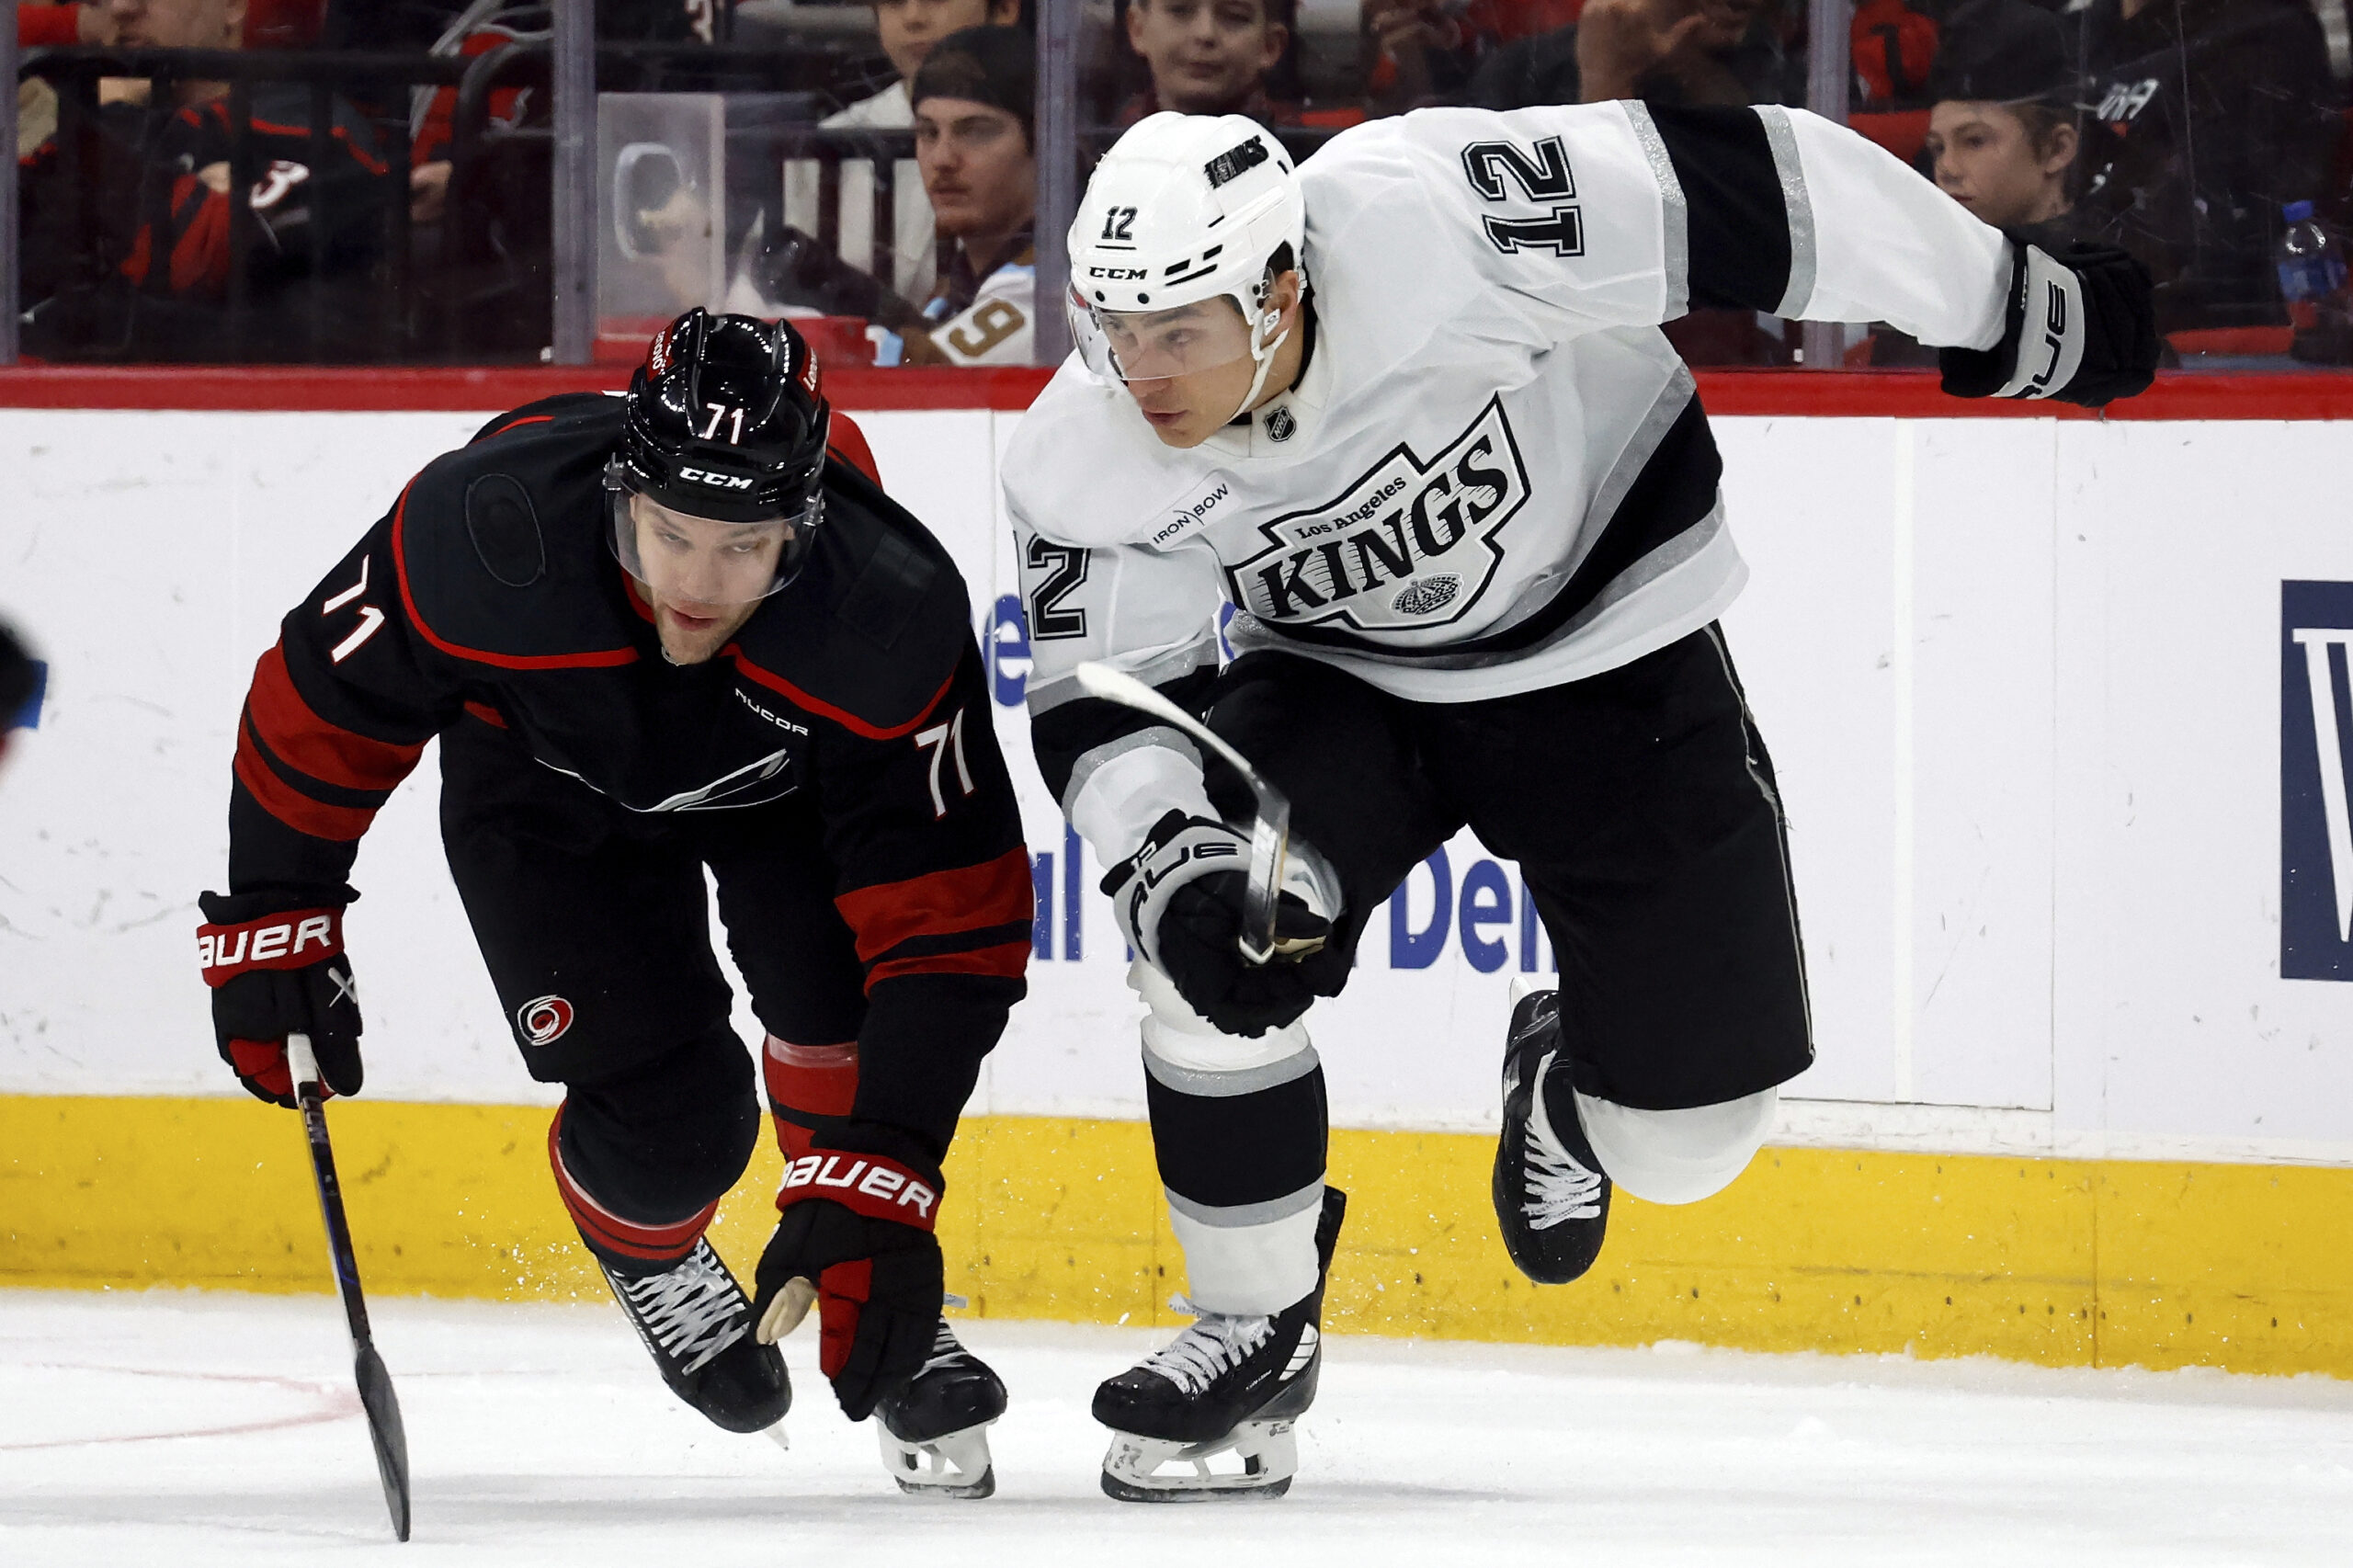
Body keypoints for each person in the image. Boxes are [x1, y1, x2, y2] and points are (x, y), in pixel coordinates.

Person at [1004, 105, 2155, 1499]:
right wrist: (1173, 863)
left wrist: (2004, 299)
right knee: (1207, 931)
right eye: (1113, 328)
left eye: (1178, 330)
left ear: (1281, 286)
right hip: (1345, 683)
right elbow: (1109, 700)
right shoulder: (1079, 451)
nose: (1140, 371)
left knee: (1684, 1148)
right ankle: (1256, 1316)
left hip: (1609, 648)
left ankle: (1567, 1071)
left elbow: (1757, 191)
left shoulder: (1439, 215)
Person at [195, 310, 1033, 1498]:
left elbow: (954, 924)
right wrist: (275, 916)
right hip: (544, 792)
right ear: (618, 490)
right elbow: (319, 704)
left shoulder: (883, 609)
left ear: (806, 528)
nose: (698, 583)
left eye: (743, 547)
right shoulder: (486, 530)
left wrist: (883, 1182)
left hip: (785, 792)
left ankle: (853, 1274)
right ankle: (649, 1252)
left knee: (841, 1013)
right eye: (671, 535)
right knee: (672, 1132)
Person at [17, 0, 394, 359]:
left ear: (232, 7)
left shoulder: (313, 124)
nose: (121, 8)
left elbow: (197, 253)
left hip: (242, 408)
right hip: (62, 400)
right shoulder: (104, 116)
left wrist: (91, 127)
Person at [2075, 0, 2338, 335]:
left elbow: (2231, 219)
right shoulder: (2078, 34)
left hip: (2200, 323)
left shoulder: (2256, 33)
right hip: (2077, 291)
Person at [1869, 0, 2085, 368]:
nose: (1947, 168)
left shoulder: (2113, 294)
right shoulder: (1918, 306)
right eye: (1937, 148)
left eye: (1975, 141)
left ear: (2056, 149)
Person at [779, 0, 1023, 308]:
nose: (913, 18)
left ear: (1003, 9)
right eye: (893, 2)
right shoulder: (828, 146)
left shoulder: (1052, 142)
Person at [892, 26, 1038, 367]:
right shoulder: (950, 296)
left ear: (1045, 142)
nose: (942, 159)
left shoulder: (1056, 291)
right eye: (928, 132)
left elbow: (927, 379)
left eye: (975, 132)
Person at [1119, 0, 1297, 125]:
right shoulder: (1105, 147)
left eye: (1235, 16)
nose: (1205, 33)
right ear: (1138, 28)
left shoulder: (1303, 163)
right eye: (1179, 9)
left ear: (1270, 46)